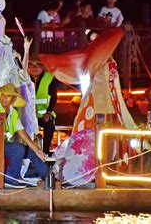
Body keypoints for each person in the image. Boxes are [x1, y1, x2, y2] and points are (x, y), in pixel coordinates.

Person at [39, 28, 138, 186]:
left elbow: (114, 79)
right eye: (92, 39)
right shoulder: (91, 59)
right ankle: (87, 171)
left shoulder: (109, 58)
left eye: (97, 38)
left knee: (112, 135)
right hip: (95, 99)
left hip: (110, 99)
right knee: (90, 135)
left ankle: (111, 168)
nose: (95, 41)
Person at [0, 83, 48, 188]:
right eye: (3, 95)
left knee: (32, 151)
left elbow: (22, 133)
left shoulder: (12, 113)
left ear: (13, 99)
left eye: (8, 96)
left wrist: (37, 150)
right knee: (17, 148)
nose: (5, 98)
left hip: (3, 145)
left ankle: (48, 178)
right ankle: (11, 179)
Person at [0, 15, 39, 140]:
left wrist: (26, 50)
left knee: (19, 130)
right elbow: (1, 41)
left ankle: (20, 153)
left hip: (16, 99)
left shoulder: (15, 67)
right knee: (3, 128)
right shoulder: (0, 64)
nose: (10, 51)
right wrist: (3, 24)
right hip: (3, 100)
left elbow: (24, 73)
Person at [27, 57, 59, 156]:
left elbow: (54, 97)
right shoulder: (23, 78)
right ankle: (28, 150)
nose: (34, 68)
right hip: (28, 114)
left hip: (43, 114)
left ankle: (45, 151)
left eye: (37, 65)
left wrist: (48, 111)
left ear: (42, 67)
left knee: (49, 124)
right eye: (31, 65)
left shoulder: (49, 78)